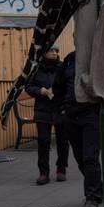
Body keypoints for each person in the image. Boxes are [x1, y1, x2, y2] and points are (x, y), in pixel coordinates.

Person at [54, 49, 104, 207]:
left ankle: (92, 198)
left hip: (91, 116)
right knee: (80, 158)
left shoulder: (101, 59)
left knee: (89, 157)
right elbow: (58, 86)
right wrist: (62, 108)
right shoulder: (69, 60)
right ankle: (98, 188)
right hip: (71, 116)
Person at [26, 44, 68, 186]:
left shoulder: (62, 67)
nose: (55, 53)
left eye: (57, 50)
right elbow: (29, 87)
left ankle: (61, 169)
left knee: (62, 141)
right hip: (43, 109)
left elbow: (70, 84)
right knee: (43, 142)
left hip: (60, 108)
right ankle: (43, 173)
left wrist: (60, 92)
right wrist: (40, 91)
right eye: (51, 50)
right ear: (44, 53)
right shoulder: (36, 68)